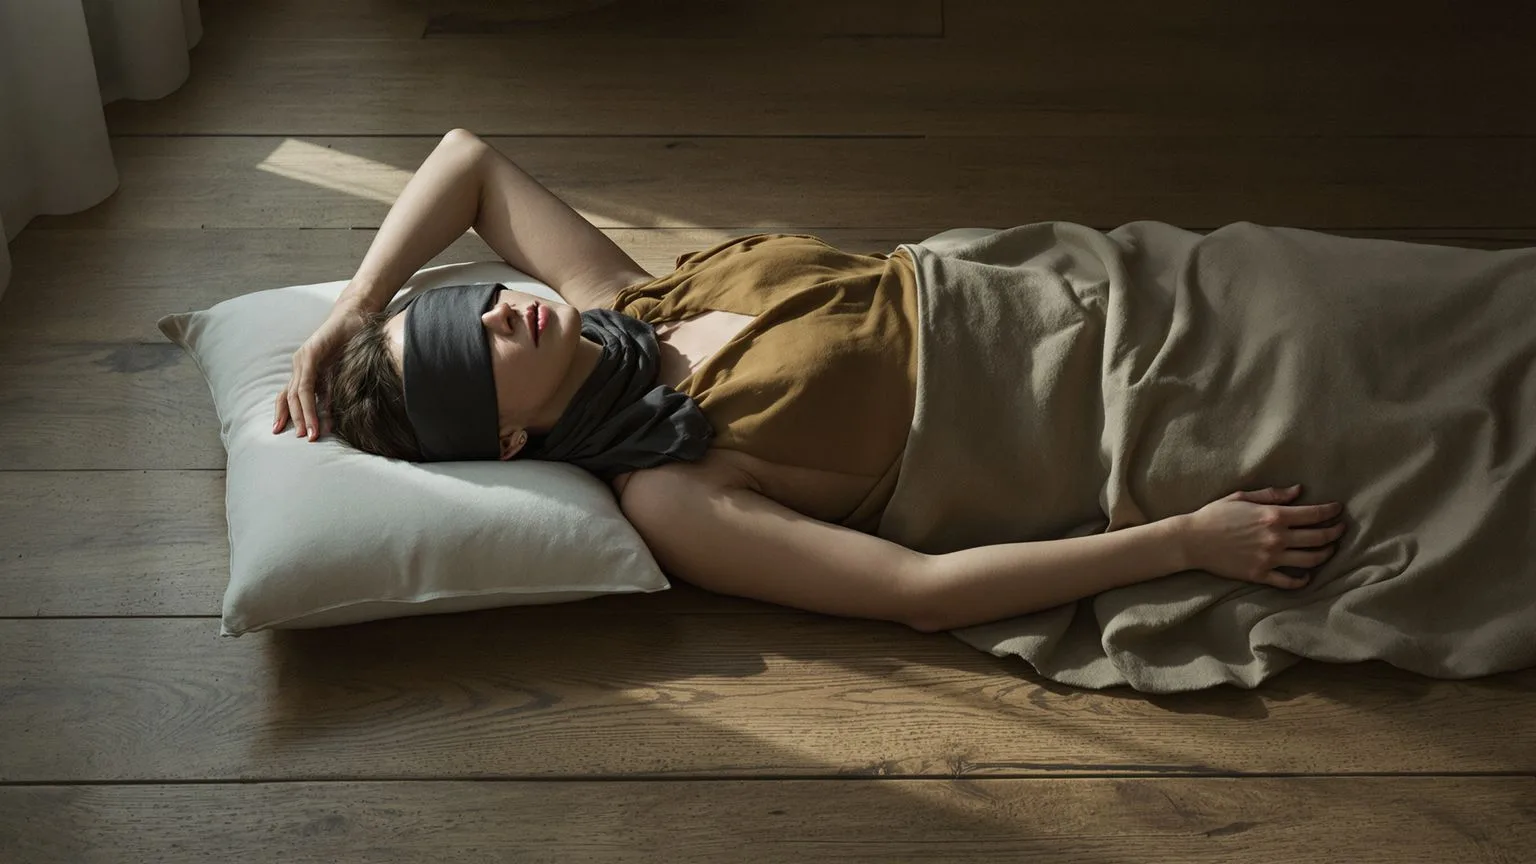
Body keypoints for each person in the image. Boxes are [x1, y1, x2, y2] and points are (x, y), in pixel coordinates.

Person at [273, 129, 1347, 636]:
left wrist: (357, 306)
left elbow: (468, 159)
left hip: (1105, 292)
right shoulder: (675, 492)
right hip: (1113, 419)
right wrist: (1186, 542)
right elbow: (915, 596)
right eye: (479, 351)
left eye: (472, 305)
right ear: (507, 445)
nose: (503, 308)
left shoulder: (629, 302)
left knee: (1357, 288)